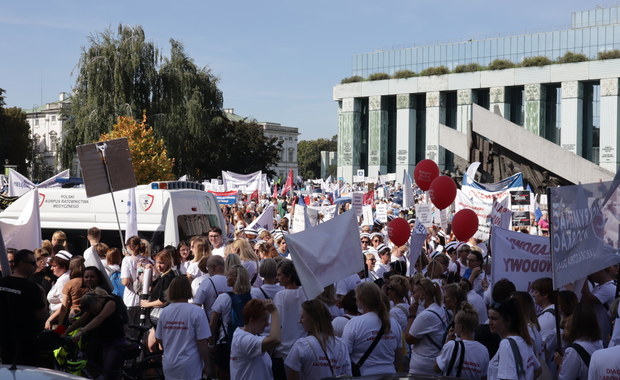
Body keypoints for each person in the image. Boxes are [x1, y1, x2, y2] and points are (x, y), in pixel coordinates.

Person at [155, 276, 211, 380]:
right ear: (188, 290)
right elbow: (202, 341)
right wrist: (207, 364)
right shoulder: (197, 311)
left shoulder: (165, 312)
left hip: (169, 362)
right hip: (190, 364)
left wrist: (169, 348)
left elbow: (159, 338)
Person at [342, 282, 403, 376]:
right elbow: (399, 358)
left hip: (364, 376)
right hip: (390, 375)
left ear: (361, 300)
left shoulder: (354, 323)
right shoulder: (394, 323)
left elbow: (344, 355)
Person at [65, 289, 128, 379]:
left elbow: (99, 318)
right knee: (95, 368)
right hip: (101, 340)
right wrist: (66, 332)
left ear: (97, 301)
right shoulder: (92, 305)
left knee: (109, 372)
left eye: (94, 310)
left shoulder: (110, 302)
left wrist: (81, 332)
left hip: (114, 341)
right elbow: (81, 320)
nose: (93, 313)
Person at [0, 249, 47, 366]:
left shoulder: (2, 282)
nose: (35, 266)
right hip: (26, 340)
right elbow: (40, 315)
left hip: (5, 339)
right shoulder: (32, 288)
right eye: (32, 263)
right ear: (21, 263)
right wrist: (43, 294)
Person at [285, 300, 352, 379]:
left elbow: (292, 377)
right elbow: (347, 376)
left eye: (302, 316)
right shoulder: (341, 345)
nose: (300, 321)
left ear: (313, 318)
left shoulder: (302, 345)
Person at [209, 264, 254, 379]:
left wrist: (211, 344)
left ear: (234, 279)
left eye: (228, 276)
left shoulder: (224, 298)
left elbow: (212, 324)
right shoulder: (252, 296)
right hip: (247, 341)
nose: (226, 278)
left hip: (226, 343)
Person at [487, 298, 542, 380]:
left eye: (494, 319)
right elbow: (538, 369)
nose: (490, 323)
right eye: (489, 318)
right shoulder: (523, 340)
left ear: (508, 321)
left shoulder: (506, 344)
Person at [406, 277, 449, 375]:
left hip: (422, 368)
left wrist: (411, 316)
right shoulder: (440, 308)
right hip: (433, 361)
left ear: (423, 294)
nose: (413, 295)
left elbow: (409, 339)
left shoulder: (426, 315)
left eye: (414, 292)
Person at [272, 260, 308, 378]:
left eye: (279, 275)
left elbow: (276, 321)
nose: (277, 278)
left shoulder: (280, 296)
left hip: (284, 349)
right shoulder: (306, 292)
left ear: (289, 276)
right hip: (302, 346)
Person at [435, 302, 489, 379]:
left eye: (455, 323)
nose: (454, 326)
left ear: (461, 327)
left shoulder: (451, 345)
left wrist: (447, 342)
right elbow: (484, 377)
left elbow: (437, 368)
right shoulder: (484, 350)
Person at [230, 299, 281, 380]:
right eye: (264, 320)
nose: (267, 324)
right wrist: (274, 312)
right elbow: (275, 339)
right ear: (252, 320)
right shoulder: (243, 340)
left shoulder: (252, 337)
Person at [553, 303, 603, 380]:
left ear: (576, 322)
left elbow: (565, 378)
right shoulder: (599, 343)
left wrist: (561, 364)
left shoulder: (573, 351)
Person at [141, 250, 177, 351]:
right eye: (157, 262)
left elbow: (163, 301)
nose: (159, 265)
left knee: (160, 346)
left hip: (161, 317)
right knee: (152, 346)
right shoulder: (164, 275)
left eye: (162, 263)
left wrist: (147, 304)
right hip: (157, 318)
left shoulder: (168, 278)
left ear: (168, 263)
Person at [45, 250, 72, 329]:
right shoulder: (66, 276)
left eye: (54, 266)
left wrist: (49, 320)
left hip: (58, 319)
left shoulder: (63, 280)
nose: (51, 268)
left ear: (63, 266)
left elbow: (64, 305)